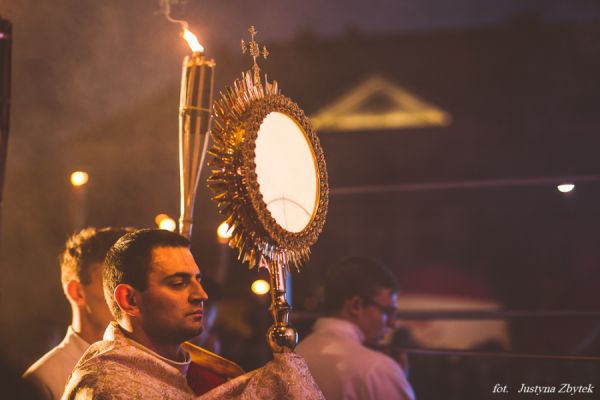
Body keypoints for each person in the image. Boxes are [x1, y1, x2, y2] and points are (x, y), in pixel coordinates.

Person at [62, 229, 245, 399]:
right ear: (129, 300)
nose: (202, 295)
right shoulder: (106, 386)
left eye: (198, 280)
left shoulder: (206, 373)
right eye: (178, 283)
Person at [23, 227, 132, 400]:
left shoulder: (152, 363)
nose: (127, 295)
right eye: (112, 282)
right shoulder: (43, 380)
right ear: (77, 292)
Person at [296, 256, 416, 400]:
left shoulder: (296, 355)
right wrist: (393, 377)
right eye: (387, 311)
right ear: (356, 306)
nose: (393, 323)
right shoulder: (377, 369)